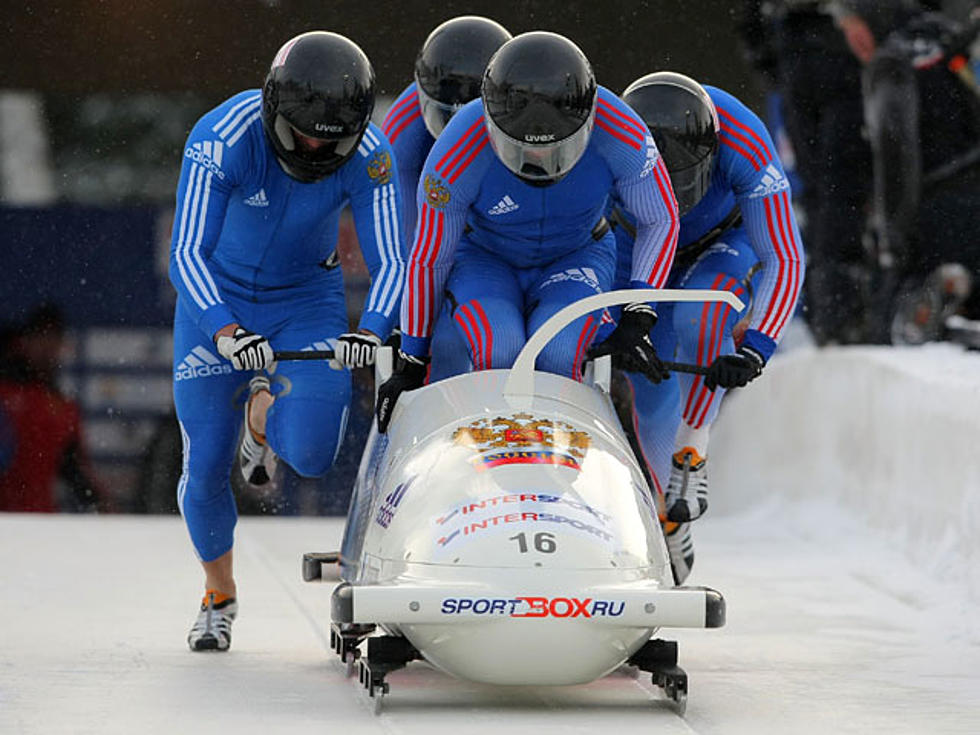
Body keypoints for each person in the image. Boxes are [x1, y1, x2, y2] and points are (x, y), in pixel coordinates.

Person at [169, 31, 405, 651]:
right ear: (277, 113)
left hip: (306, 300)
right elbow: (186, 252)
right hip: (216, 299)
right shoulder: (223, 137)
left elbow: (393, 264)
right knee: (206, 465)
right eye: (305, 134)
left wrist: (371, 329)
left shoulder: (372, 155)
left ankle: (262, 418)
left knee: (309, 455)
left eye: (333, 139)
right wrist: (223, 328)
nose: (317, 147)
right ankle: (218, 595)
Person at [375, 31, 680, 432]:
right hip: (486, 258)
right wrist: (413, 355)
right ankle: (495, 456)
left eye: (557, 150)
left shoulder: (622, 130)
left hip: (576, 255)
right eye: (523, 150)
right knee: (498, 347)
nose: (540, 161)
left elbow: (661, 217)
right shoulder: (455, 150)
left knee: (557, 350)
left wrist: (641, 310)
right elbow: (430, 256)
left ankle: (561, 452)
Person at [609, 72, 804, 583]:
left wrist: (758, 344)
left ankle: (689, 456)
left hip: (718, 244)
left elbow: (784, 254)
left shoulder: (743, 138)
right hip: (636, 245)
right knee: (647, 386)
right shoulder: (610, 140)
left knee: (706, 315)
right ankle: (660, 518)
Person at [831, 1, 980, 343]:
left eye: (851, 26)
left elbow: (897, 152)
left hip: (936, 211)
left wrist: (893, 238)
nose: (851, 40)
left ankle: (927, 306)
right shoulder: (954, 40)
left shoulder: (891, 63)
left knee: (889, 327)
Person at [381, 15, 513, 380]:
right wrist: (402, 318)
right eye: (445, 117)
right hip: (440, 214)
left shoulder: (530, 114)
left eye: (470, 117)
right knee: (439, 330)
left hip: (500, 227)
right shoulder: (402, 131)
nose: (456, 132)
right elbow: (405, 241)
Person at [738, 0, 871, 345]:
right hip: (836, 52)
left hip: (796, 52)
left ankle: (824, 303)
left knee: (819, 186)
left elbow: (749, 20)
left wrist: (768, 57)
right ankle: (840, 307)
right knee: (840, 185)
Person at [0, 304, 103, 514]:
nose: (47, 348)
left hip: (40, 522)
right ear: (23, 341)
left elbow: (76, 473)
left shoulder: (62, 408)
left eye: (54, 339)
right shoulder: (4, 394)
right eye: (40, 337)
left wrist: (103, 510)